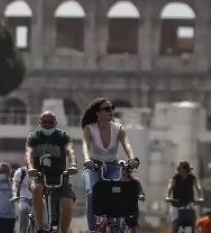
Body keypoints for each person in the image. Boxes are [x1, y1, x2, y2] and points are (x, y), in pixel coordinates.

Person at [81, 98, 139, 233]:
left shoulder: (119, 129)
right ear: (98, 113)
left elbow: (127, 144)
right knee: (92, 192)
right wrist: (87, 159)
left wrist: (132, 158)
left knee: (117, 192)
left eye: (112, 108)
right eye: (107, 109)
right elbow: (85, 146)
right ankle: (93, 228)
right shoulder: (89, 129)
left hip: (112, 166)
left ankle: (117, 223)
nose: (111, 111)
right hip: (93, 166)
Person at [27, 111, 78, 233]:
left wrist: (73, 164)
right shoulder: (34, 137)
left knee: (67, 202)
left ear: (55, 123)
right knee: (37, 189)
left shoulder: (62, 136)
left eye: (51, 122)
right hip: (40, 175)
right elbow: (29, 153)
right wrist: (30, 167)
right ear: (39, 123)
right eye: (44, 122)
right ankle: (39, 228)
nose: (48, 125)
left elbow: (69, 151)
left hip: (59, 176)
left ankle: (63, 231)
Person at [166, 161, 204, 233]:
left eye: (180, 169)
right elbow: (170, 187)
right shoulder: (176, 177)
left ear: (186, 169)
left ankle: (194, 230)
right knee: (175, 220)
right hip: (176, 203)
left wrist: (200, 197)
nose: (179, 171)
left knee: (193, 218)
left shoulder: (192, 177)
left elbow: (198, 187)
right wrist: (168, 196)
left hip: (189, 203)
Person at [12, 165, 33, 233]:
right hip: (24, 199)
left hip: (36, 200)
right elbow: (15, 185)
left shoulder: (40, 171)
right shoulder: (20, 172)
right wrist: (15, 195)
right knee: (23, 212)